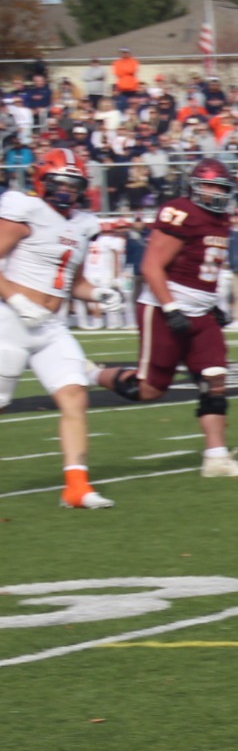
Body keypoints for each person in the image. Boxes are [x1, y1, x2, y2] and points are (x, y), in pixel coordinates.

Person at [91, 158, 238, 479]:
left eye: (220, 187)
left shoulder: (221, 218)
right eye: (208, 186)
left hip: (201, 311)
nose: (215, 193)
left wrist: (211, 304)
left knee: (215, 378)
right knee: (149, 389)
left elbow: (201, 268)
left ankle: (216, 457)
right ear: (194, 187)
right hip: (165, 307)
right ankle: (89, 374)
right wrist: (171, 308)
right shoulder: (180, 212)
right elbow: (151, 266)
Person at [0, 149, 120, 507]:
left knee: (75, 394)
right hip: (11, 320)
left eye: (73, 185)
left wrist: (97, 293)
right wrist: (17, 299)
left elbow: (73, 282)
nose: (66, 191)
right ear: (42, 181)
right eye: (59, 183)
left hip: (51, 325)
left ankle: (76, 487)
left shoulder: (83, 224)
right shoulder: (27, 210)